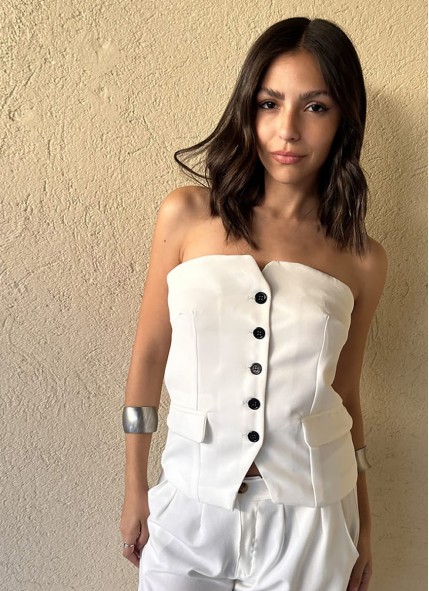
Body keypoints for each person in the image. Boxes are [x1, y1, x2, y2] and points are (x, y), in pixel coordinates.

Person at [119, 16, 388, 591]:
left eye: (315, 107)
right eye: (270, 103)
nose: (288, 130)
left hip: (312, 521)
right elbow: (149, 354)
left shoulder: (362, 259)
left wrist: (364, 522)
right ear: (248, 108)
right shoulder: (187, 216)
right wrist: (135, 487)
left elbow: (344, 394)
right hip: (189, 506)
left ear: (343, 119)